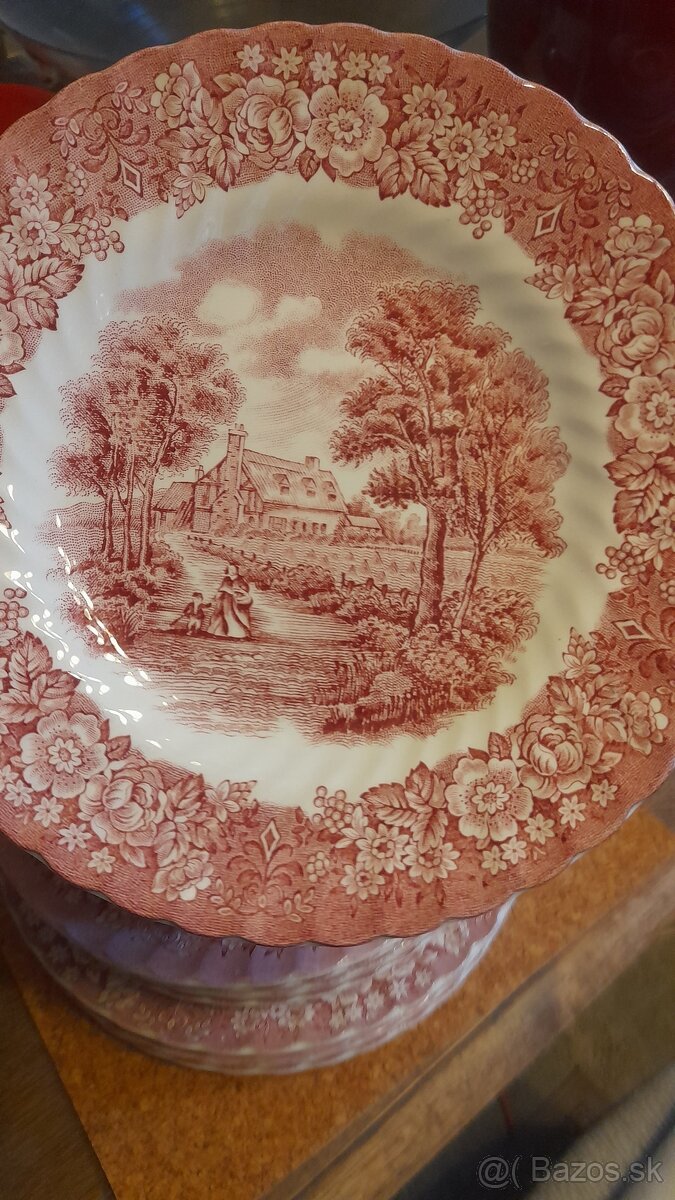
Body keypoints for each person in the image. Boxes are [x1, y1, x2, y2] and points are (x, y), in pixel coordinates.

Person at [208, 563, 253, 640]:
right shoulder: (226, 580)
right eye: (230, 569)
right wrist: (215, 598)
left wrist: (235, 592)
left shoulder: (240, 580)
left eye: (233, 569)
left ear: (237, 570)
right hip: (224, 601)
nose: (231, 571)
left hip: (235, 603)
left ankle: (237, 635)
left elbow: (245, 590)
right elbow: (221, 589)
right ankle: (220, 633)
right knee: (221, 616)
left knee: (232, 617)